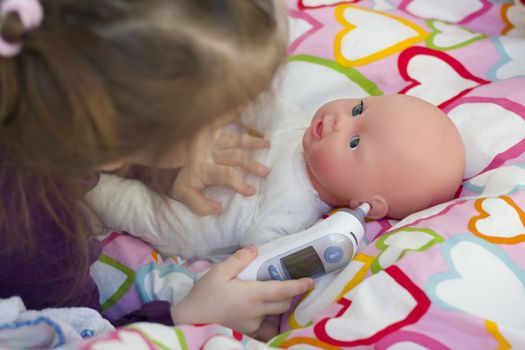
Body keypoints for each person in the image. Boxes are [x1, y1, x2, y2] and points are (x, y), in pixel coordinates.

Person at [0, 0, 314, 338]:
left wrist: (160, 170)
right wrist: (187, 316)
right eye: (216, 124)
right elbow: (86, 340)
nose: (226, 132)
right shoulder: (36, 237)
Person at [87, 94, 466, 260]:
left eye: (353, 141)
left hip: (191, 218)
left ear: (366, 203)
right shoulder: (304, 125)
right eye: (357, 107)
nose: (338, 119)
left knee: (119, 201)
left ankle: (82, 189)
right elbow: (266, 106)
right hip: (194, 156)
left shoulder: (296, 215)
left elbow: (260, 249)